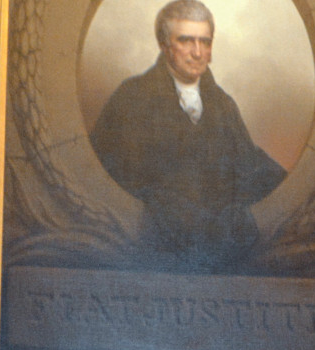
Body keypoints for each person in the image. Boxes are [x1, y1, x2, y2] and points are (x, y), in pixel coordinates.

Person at [87, 0, 287, 273]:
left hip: (221, 254)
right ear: (164, 44)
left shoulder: (223, 104)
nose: (197, 52)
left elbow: (247, 164)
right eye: (186, 40)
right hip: (152, 252)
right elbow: (107, 175)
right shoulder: (130, 98)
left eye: (205, 42)